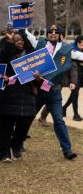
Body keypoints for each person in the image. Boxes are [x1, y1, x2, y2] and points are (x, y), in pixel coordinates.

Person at [25, 25, 78, 160]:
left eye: (56, 33)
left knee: (59, 120)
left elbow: (78, 56)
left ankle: (67, 150)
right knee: (28, 117)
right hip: (37, 89)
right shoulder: (40, 43)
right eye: (50, 33)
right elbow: (27, 35)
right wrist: (23, 25)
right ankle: (17, 143)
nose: (53, 35)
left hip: (54, 90)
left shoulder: (66, 49)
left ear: (60, 35)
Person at [0, 31, 39, 162]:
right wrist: (9, 44)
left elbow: (40, 79)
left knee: (26, 122)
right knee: (6, 127)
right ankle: (4, 154)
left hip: (27, 94)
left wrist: (37, 78)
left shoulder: (32, 56)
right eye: (16, 40)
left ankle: (16, 145)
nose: (19, 42)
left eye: (21, 39)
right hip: (9, 95)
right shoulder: (6, 55)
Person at [62, 35, 83, 121]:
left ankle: (64, 108)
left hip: (82, 77)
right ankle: (75, 114)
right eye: (80, 42)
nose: (82, 44)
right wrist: (72, 80)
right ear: (76, 42)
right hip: (74, 77)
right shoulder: (72, 51)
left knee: (74, 94)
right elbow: (72, 68)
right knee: (75, 93)